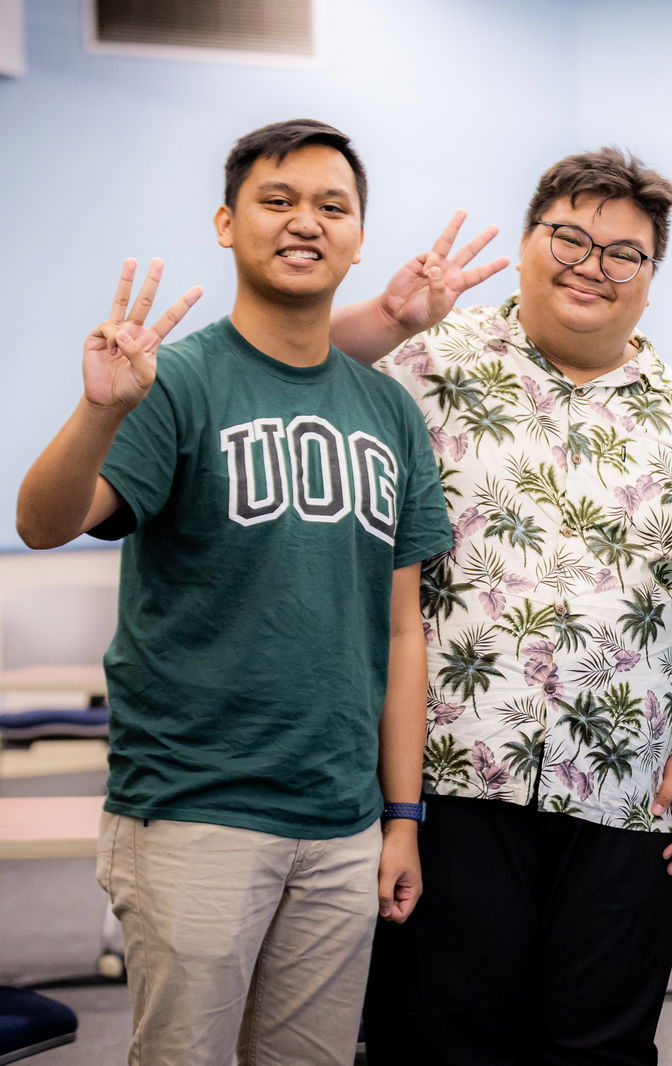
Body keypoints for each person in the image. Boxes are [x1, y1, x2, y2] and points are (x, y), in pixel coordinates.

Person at [14, 119, 453, 1065]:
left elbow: (401, 632)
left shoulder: (388, 411)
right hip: (193, 809)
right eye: (277, 200)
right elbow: (45, 523)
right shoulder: (173, 381)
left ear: (359, 238)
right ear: (226, 223)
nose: (306, 222)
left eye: (332, 206)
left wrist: (402, 816)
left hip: (341, 822)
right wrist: (98, 410)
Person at [329, 147, 672, 1065]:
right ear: (527, 243)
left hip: (626, 790)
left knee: (599, 1049)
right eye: (569, 238)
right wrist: (384, 319)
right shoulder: (422, 365)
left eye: (624, 253)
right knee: (436, 1044)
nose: (592, 266)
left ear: (652, 276)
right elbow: (283, 366)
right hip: (447, 784)